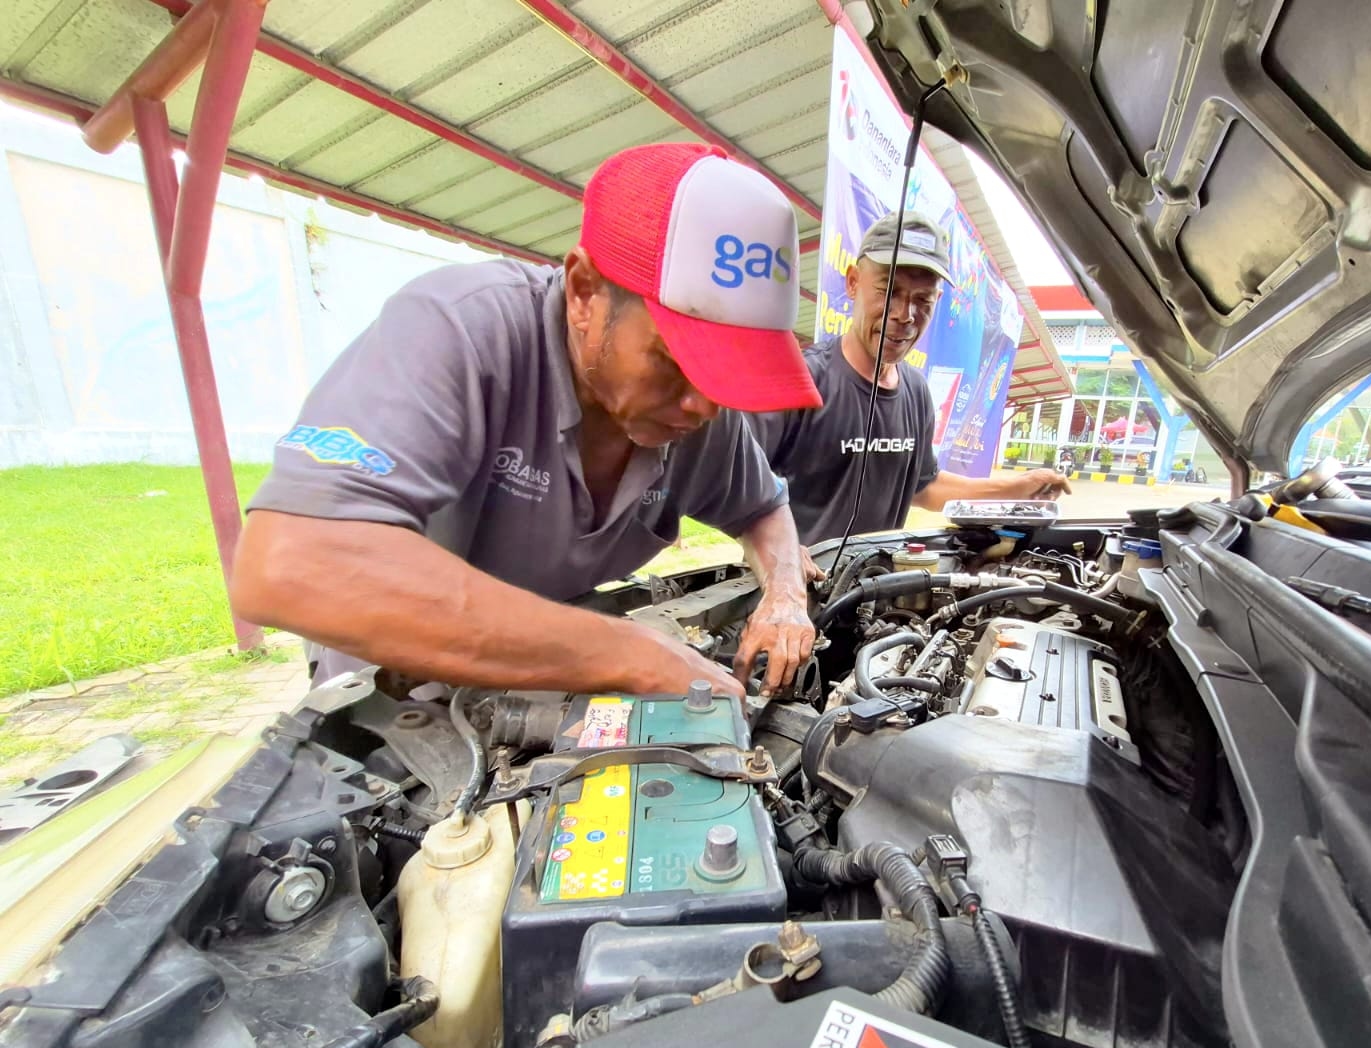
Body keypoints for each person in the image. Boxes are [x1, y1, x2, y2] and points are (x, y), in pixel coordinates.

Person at [231, 143, 822, 701]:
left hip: (551, 683)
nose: (704, 406)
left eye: (726, 372)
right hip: (402, 709)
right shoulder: (458, 329)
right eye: (674, 361)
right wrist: (627, 651)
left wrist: (785, 595)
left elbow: (763, 509)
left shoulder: (696, 413)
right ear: (585, 293)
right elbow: (292, 562)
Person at [745, 211, 1069, 565]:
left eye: (922, 301)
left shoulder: (916, 391)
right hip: (795, 589)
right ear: (853, 282)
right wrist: (782, 554)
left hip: (875, 591)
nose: (905, 315)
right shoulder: (801, 379)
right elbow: (737, 483)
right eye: (889, 291)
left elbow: (924, 486)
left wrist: (1017, 488)